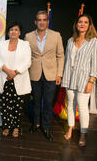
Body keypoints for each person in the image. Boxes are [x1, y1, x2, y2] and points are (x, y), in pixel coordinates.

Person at [25, 10, 64, 141]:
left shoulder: (56, 35)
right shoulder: (28, 36)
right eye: (39, 20)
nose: (41, 22)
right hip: (34, 74)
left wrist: (59, 74)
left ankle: (46, 127)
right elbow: (26, 57)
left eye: (44, 20)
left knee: (48, 102)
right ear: (35, 22)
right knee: (35, 101)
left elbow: (60, 56)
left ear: (47, 21)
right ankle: (36, 123)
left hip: (51, 75)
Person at [61, 14, 97, 147]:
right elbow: (66, 60)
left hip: (84, 80)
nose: (82, 24)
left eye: (85, 22)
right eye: (80, 22)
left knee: (82, 107)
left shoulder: (95, 42)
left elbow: (95, 64)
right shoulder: (70, 40)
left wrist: (91, 81)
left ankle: (83, 133)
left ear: (89, 25)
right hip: (69, 78)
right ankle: (70, 128)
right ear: (76, 24)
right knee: (70, 104)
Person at [0, 21, 31, 138]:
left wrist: (14, 72)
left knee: (18, 106)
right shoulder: (2, 44)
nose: (13, 32)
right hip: (5, 78)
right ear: (8, 32)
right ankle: (6, 126)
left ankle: (16, 127)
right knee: (5, 105)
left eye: (16, 29)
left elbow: (27, 62)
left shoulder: (25, 45)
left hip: (18, 78)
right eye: (11, 30)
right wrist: (8, 71)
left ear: (20, 32)